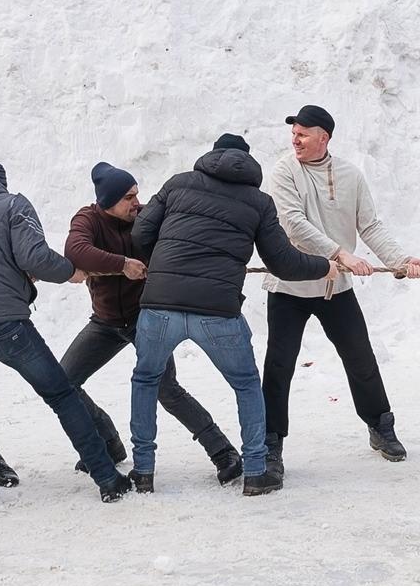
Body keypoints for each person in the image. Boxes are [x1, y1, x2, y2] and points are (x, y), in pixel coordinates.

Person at [128, 134, 331, 495]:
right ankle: (255, 472)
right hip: (217, 311)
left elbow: (141, 233)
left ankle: (143, 471)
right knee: (246, 385)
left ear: (212, 156)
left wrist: (165, 261)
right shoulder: (259, 202)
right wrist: (324, 267)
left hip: (159, 306)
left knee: (146, 381)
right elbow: (283, 262)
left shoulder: (178, 184)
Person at [0, 160, 131, 502]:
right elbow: (33, 256)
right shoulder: (12, 204)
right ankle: (107, 477)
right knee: (62, 394)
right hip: (8, 325)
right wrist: (70, 271)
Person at [261, 105, 420, 474]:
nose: (295, 140)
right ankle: (270, 442)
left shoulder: (350, 175)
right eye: (293, 133)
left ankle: (381, 426)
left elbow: (371, 225)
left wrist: (399, 260)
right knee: (279, 366)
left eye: (303, 133)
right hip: (289, 285)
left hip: (335, 287)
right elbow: (293, 224)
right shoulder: (285, 170)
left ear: (324, 137)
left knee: (360, 356)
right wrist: (340, 254)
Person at [60, 163, 244, 485]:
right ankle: (109, 443)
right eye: (129, 197)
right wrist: (122, 264)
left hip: (147, 318)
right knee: (64, 381)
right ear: (107, 201)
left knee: (165, 388)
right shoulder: (88, 219)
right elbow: (75, 250)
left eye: (137, 194)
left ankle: (223, 452)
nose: (136, 201)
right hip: (105, 322)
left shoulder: (148, 217)